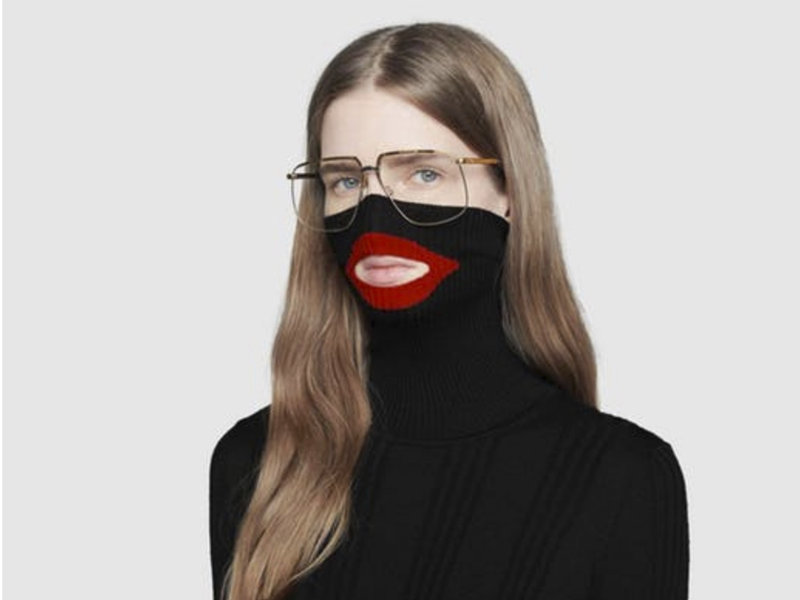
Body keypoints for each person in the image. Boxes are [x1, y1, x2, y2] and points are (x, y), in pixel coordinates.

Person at [209, 21, 690, 600]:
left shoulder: (620, 475)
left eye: (424, 173)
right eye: (345, 181)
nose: (375, 216)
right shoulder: (260, 464)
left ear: (511, 191)